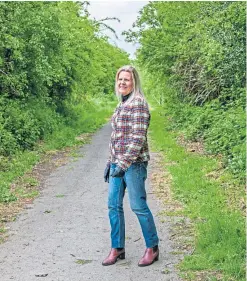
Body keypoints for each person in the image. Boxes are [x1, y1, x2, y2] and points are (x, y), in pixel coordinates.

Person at [102, 65, 159, 267]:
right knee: (113, 205)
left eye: (126, 79)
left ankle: (152, 248)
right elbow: (116, 138)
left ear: (134, 82)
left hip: (134, 165)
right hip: (118, 163)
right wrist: (111, 162)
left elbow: (137, 138)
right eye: (120, 79)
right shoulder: (121, 105)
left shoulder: (139, 104)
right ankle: (117, 248)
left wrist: (123, 164)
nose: (122, 83)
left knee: (138, 206)